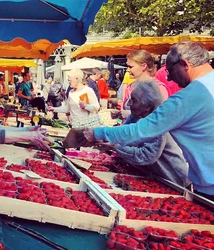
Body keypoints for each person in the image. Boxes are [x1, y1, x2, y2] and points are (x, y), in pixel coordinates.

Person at [80, 41, 214, 200]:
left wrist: (97, 133)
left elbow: (142, 130)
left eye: (169, 70)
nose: (169, 77)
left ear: (185, 64)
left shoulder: (190, 96)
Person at [112, 79, 190, 187]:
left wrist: (115, 146)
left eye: (134, 100)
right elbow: (123, 137)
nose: (129, 103)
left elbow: (147, 155)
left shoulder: (159, 123)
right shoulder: (135, 116)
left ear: (148, 106)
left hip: (173, 181)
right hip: (155, 176)